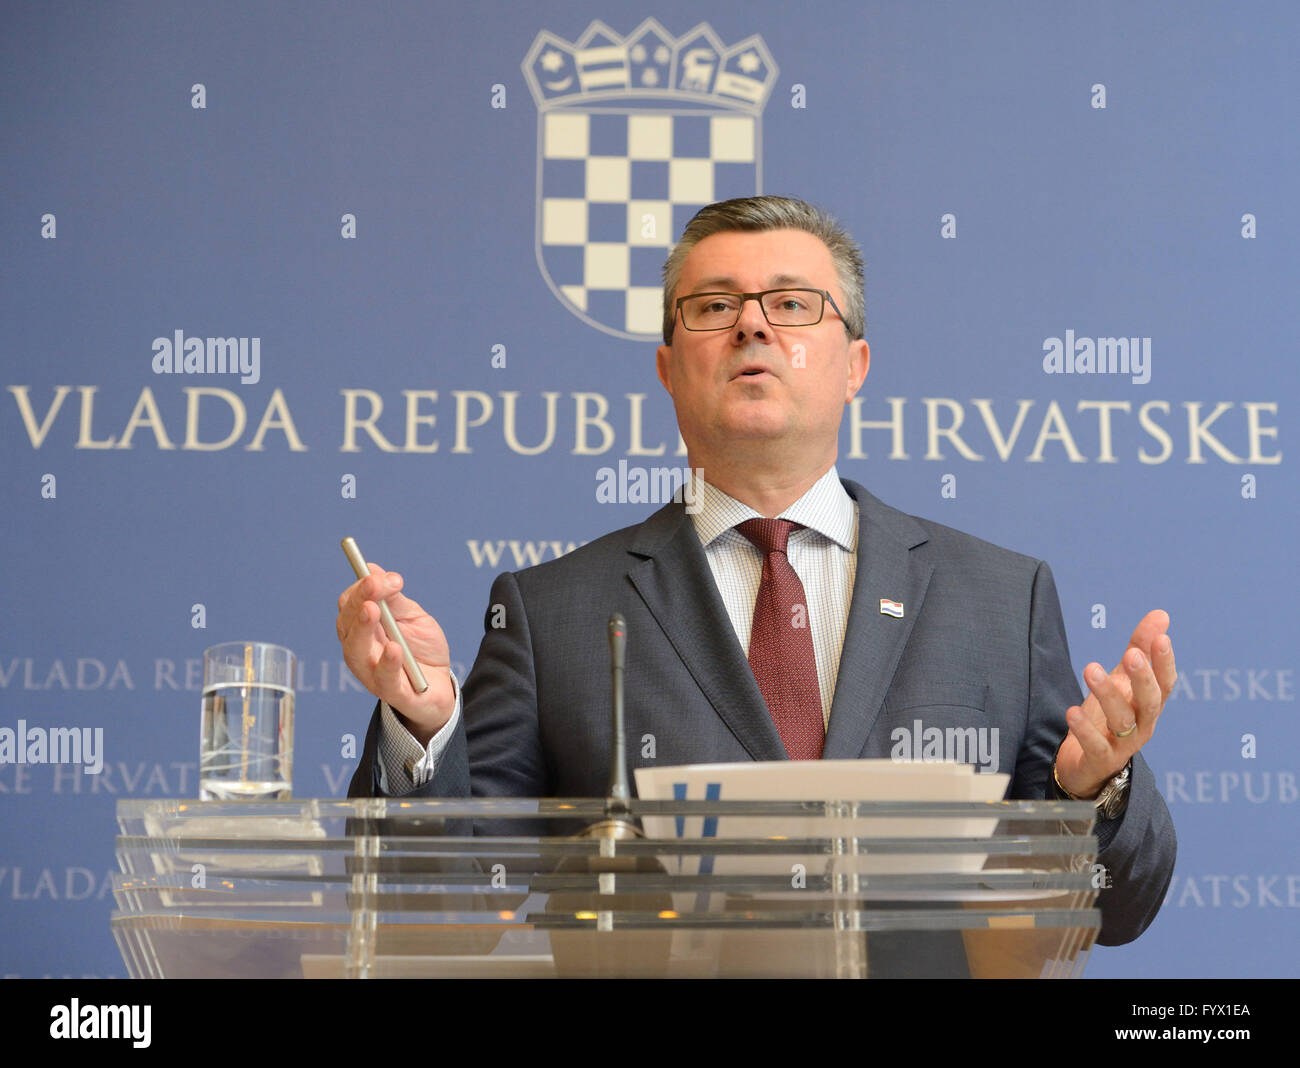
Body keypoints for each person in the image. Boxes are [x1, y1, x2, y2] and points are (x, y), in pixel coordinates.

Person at [337, 196, 1177, 947]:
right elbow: (441, 909)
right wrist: (424, 727)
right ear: (668, 372)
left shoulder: (1001, 600)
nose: (752, 326)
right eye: (713, 307)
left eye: (792, 304)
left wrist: (1093, 790)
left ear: (855, 367)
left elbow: (1120, 910)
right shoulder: (550, 612)